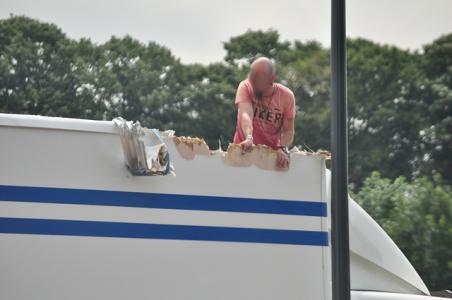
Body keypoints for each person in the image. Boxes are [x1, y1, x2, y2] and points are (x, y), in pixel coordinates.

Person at [232, 57, 296, 169]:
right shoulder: (246, 86)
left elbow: (289, 130)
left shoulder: (287, 96)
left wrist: (281, 148)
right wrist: (249, 137)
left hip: (270, 158)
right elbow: (246, 115)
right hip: (244, 153)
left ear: (272, 78)